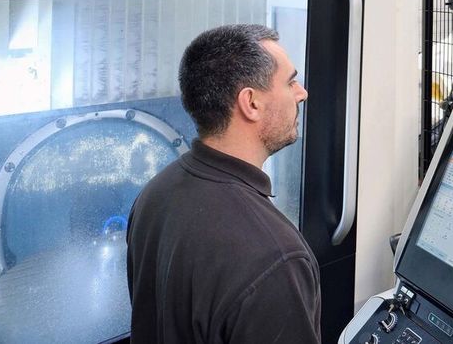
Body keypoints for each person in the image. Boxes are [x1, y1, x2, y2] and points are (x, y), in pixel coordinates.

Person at [126, 24, 319, 343]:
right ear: (251, 103)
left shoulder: (155, 194)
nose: (302, 93)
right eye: (290, 82)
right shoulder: (274, 258)